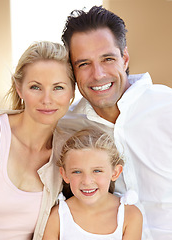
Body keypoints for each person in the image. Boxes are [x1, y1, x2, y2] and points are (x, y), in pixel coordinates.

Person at [60, 5, 172, 240]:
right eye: (84, 64)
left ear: (125, 57)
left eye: (108, 59)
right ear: (72, 71)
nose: (98, 74)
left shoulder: (167, 107)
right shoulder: (66, 125)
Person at [0, 41, 75, 240]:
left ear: (72, 93)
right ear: (19, 89)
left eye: (58, 87)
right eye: (36, 87)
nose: (47, 99)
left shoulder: (68, 153)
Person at [42, 128, 143, 240]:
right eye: (77, 172)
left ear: (115, 172)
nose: (86, 181)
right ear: (64, 174)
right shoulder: (57, 216)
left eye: (97, 171)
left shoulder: (130, 215)